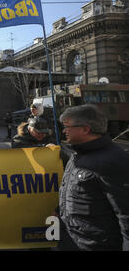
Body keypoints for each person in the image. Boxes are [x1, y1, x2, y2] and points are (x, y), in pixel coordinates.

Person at [58, 104, 129, 251]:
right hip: (73, 242)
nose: (64, 131)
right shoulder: (77, 153)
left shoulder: (113, 160)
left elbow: (125, 213)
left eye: (67, 126)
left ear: (85, 129)